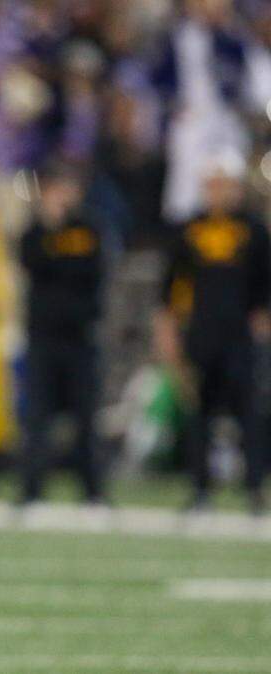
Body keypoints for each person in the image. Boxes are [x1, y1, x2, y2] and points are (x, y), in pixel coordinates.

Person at [154, 154, 271, 514]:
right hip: (201, 336)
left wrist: (261, 331)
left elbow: (265, 287)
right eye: (212, 184)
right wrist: (168, 336)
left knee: (249, 415)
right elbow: (169, 291)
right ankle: (200, 490)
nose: (217, 192)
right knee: (199, 416)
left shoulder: (253, 229)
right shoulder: (188, 230)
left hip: (239, 337)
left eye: (223, 184)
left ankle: (254, 489)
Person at [18, 164, 107, 505]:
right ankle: (32, 490)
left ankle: (93, 491)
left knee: (86, 417)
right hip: (43, 338)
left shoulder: (92, 229)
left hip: (81, 338)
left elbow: (93, 274)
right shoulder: (35, 231)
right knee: (37, 416)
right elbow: (31, 263)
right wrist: (48, 228)